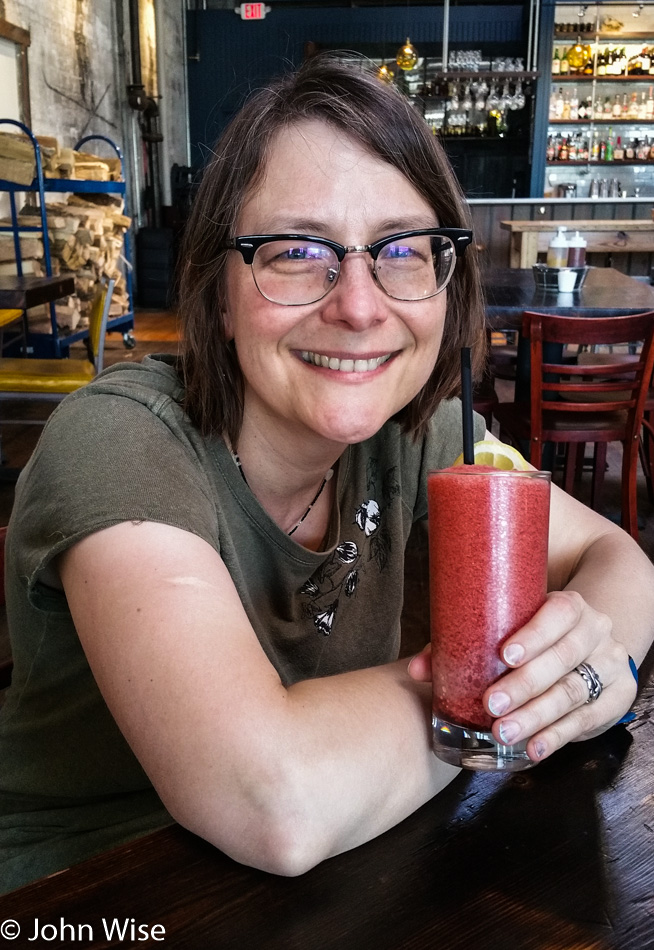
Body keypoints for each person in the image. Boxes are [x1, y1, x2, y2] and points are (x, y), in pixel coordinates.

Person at [1, 53, 653, 895]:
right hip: (85, 895)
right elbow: (276, 800)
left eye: (404, 249)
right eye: (299, 250)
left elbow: (625, 566)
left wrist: (585, 670)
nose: (358, 304)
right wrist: (500, 699)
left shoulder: (421, 435)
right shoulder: (119, 439)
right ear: (216, 290)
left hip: (336, 885)